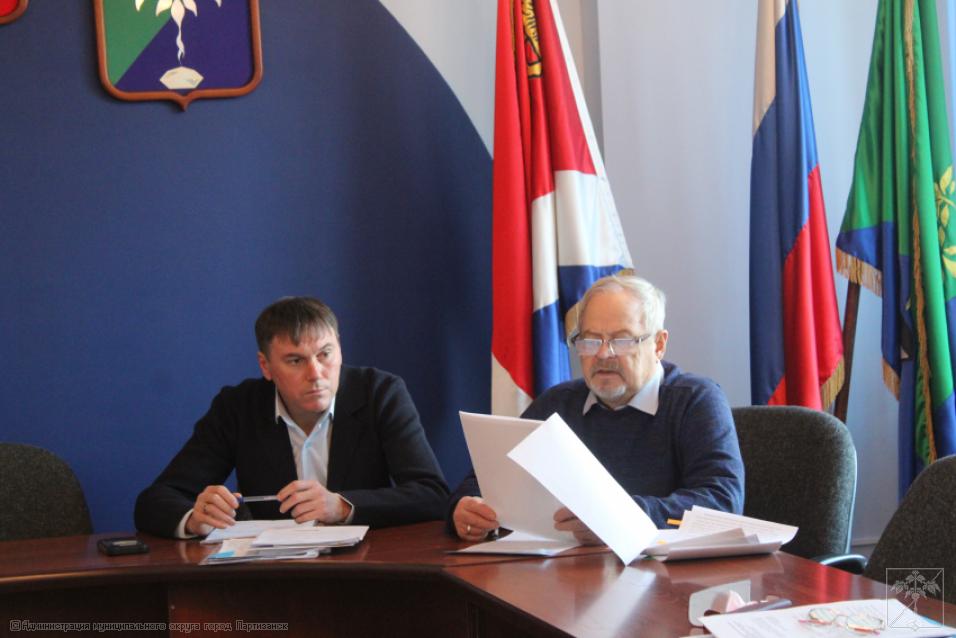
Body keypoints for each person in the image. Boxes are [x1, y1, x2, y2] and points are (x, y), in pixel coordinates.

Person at [449, 274, 744, 544]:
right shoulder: (559, 403)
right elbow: (485, 480)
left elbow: (722, 503)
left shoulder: (695, 400)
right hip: (565, 573)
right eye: (590, 340)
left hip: (664, 574)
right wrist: (465, 507)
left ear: (658, 345)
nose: (603, 354)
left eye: (622, 340)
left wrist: (615, 518)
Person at [135, 296, 449, 538]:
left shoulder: (379, 393)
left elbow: (432, 495)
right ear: (266, 366)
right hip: (272, 577)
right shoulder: (238, 407)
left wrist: (343, 506)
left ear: (340, 349)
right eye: (296, 361)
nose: (316, 374)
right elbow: (155, 501)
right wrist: (195, 518)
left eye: (325, 354)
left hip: (365, 570)